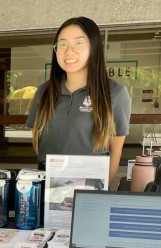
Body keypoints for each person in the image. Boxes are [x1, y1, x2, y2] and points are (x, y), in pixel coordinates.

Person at [26, 17, 131, 186]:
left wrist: (102, 194)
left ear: (94, 47)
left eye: (79, 43)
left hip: (90, 187)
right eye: (62, 44)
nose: (69, 51)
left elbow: (115, 151)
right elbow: (39, 142)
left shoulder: (114, 93)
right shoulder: (44, 91)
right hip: (49, 186)